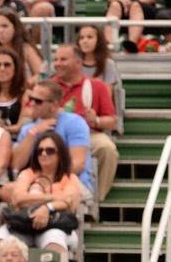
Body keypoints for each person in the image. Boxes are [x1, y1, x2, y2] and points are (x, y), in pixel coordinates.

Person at [0, 128, 85, 257]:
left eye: (50, 151)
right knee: (0, 240)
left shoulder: (70, 178)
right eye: (39, 151)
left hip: (56, 226)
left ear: (60, 154)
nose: (44, 154)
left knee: (54, 240)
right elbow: (18, 198)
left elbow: (68, 202)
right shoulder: (27, 174)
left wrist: (47, 208)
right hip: (23, 225)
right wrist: (54, 198)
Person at [49, 43, 119, 202]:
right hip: (54, 134)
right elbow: (30, 111)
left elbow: (112, 121)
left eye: (63, 59)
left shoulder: (97, 86)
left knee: (107, 148)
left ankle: (95, 199)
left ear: (78, 63)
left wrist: (97, 120)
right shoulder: (49, 86)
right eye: (56, 59)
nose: (57, 63)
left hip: (88, 134)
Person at [11, 80, 94, 196]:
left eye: (38, 101)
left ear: (54, 105)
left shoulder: (74, 123)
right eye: (31, 98)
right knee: (7, 191)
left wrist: (47, 182)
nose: (32, 103)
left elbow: (78, 164)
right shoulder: (28, 129)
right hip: (36, 183)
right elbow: (16, 165)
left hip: (71, 183)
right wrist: (33, 133)